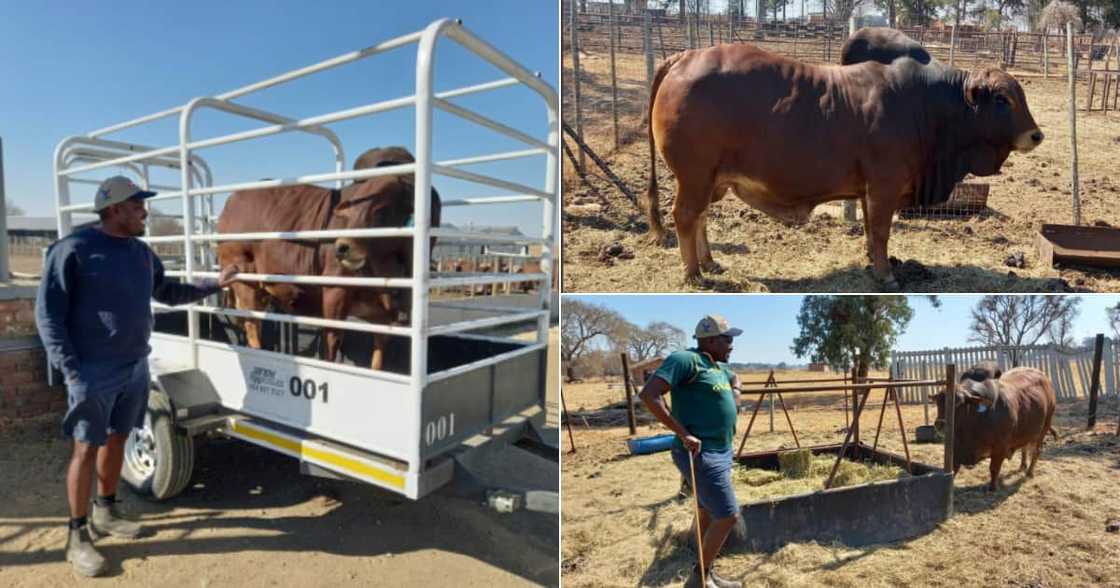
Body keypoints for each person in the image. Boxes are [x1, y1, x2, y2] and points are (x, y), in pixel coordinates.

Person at [35, 176, 239, 577]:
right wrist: (71, 369)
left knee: (118, 438)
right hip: (92, 371)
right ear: (112, 210)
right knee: (85, 449)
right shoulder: (73, 250)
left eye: (142, 205)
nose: (144, 211)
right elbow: (48, 315)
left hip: (134, 366)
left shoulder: (142, 254)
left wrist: (214, 284)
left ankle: (106, 511)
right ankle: (77, 537)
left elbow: (167, 291)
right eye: (136, 206)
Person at [639, 314, 743, 588]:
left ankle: (705, 573)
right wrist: (683, 433)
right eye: (727, 339)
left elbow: (735, 379)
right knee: (728, 515)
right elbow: (649, 395)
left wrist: (736, 395)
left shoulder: (717, 366)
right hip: (700, 453)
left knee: (708, 511)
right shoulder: (686, 360)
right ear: (709, 339)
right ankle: (698, 579)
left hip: (721, 450)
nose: (732, 345)